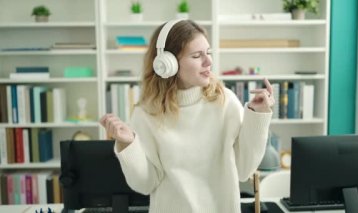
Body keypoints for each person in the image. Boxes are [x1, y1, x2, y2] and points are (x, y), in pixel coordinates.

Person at [100, 19, 275, 213]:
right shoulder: (146, 114)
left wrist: (258, 115)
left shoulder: (225, 102)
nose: (209, 61)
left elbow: (244, 170)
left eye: (208, 53)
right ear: (168, 63)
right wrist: (127, 144)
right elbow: (145, 184)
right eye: (197, 55)